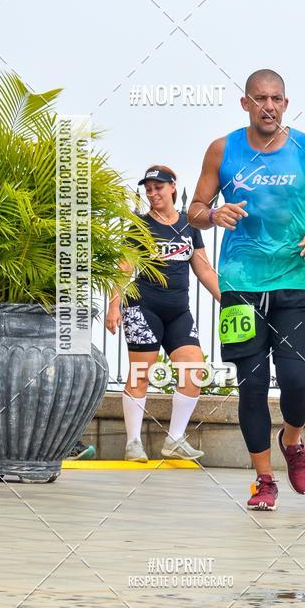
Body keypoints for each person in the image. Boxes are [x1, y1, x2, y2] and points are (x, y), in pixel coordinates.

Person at [189, 69, 305, 511]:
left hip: (295, 280)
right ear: (246, 104)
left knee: (299, 383)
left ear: (286, 102)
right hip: (241, 285)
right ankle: (264, 479)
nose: (269, 106)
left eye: (276, 98)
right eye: (260, 99)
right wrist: (213, 213)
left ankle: (292, 440)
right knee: (251, 387)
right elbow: (195, 209)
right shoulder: (223, 149)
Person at [105, 165, 220, 462]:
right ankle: (133, 443)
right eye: (149, 189)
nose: (153, 193)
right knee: (141, 372)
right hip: (144, 308)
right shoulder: (140, 227)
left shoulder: (189, 224)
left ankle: (174, 440)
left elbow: (204, 269)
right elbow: (123, 269)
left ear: (173, 187)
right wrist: (114, 304)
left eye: (159, 187)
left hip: (179, 311)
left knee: (193, 370)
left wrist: (227, 299)